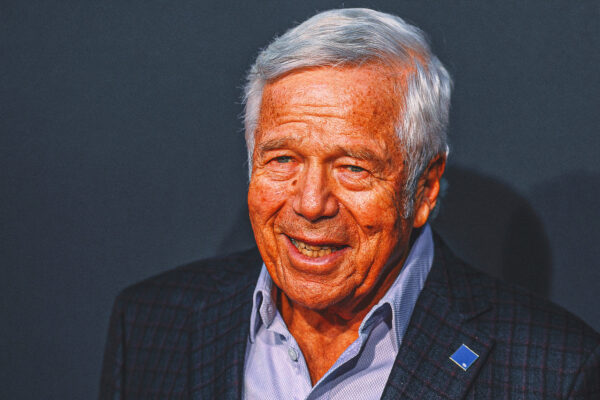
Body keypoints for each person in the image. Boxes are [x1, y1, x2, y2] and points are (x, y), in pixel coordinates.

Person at [99, 8, 600, 399]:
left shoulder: (555, 372)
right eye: (283, 159)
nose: (310, 203)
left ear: (425, 189)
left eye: (353, 167)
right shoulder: (151, 324)